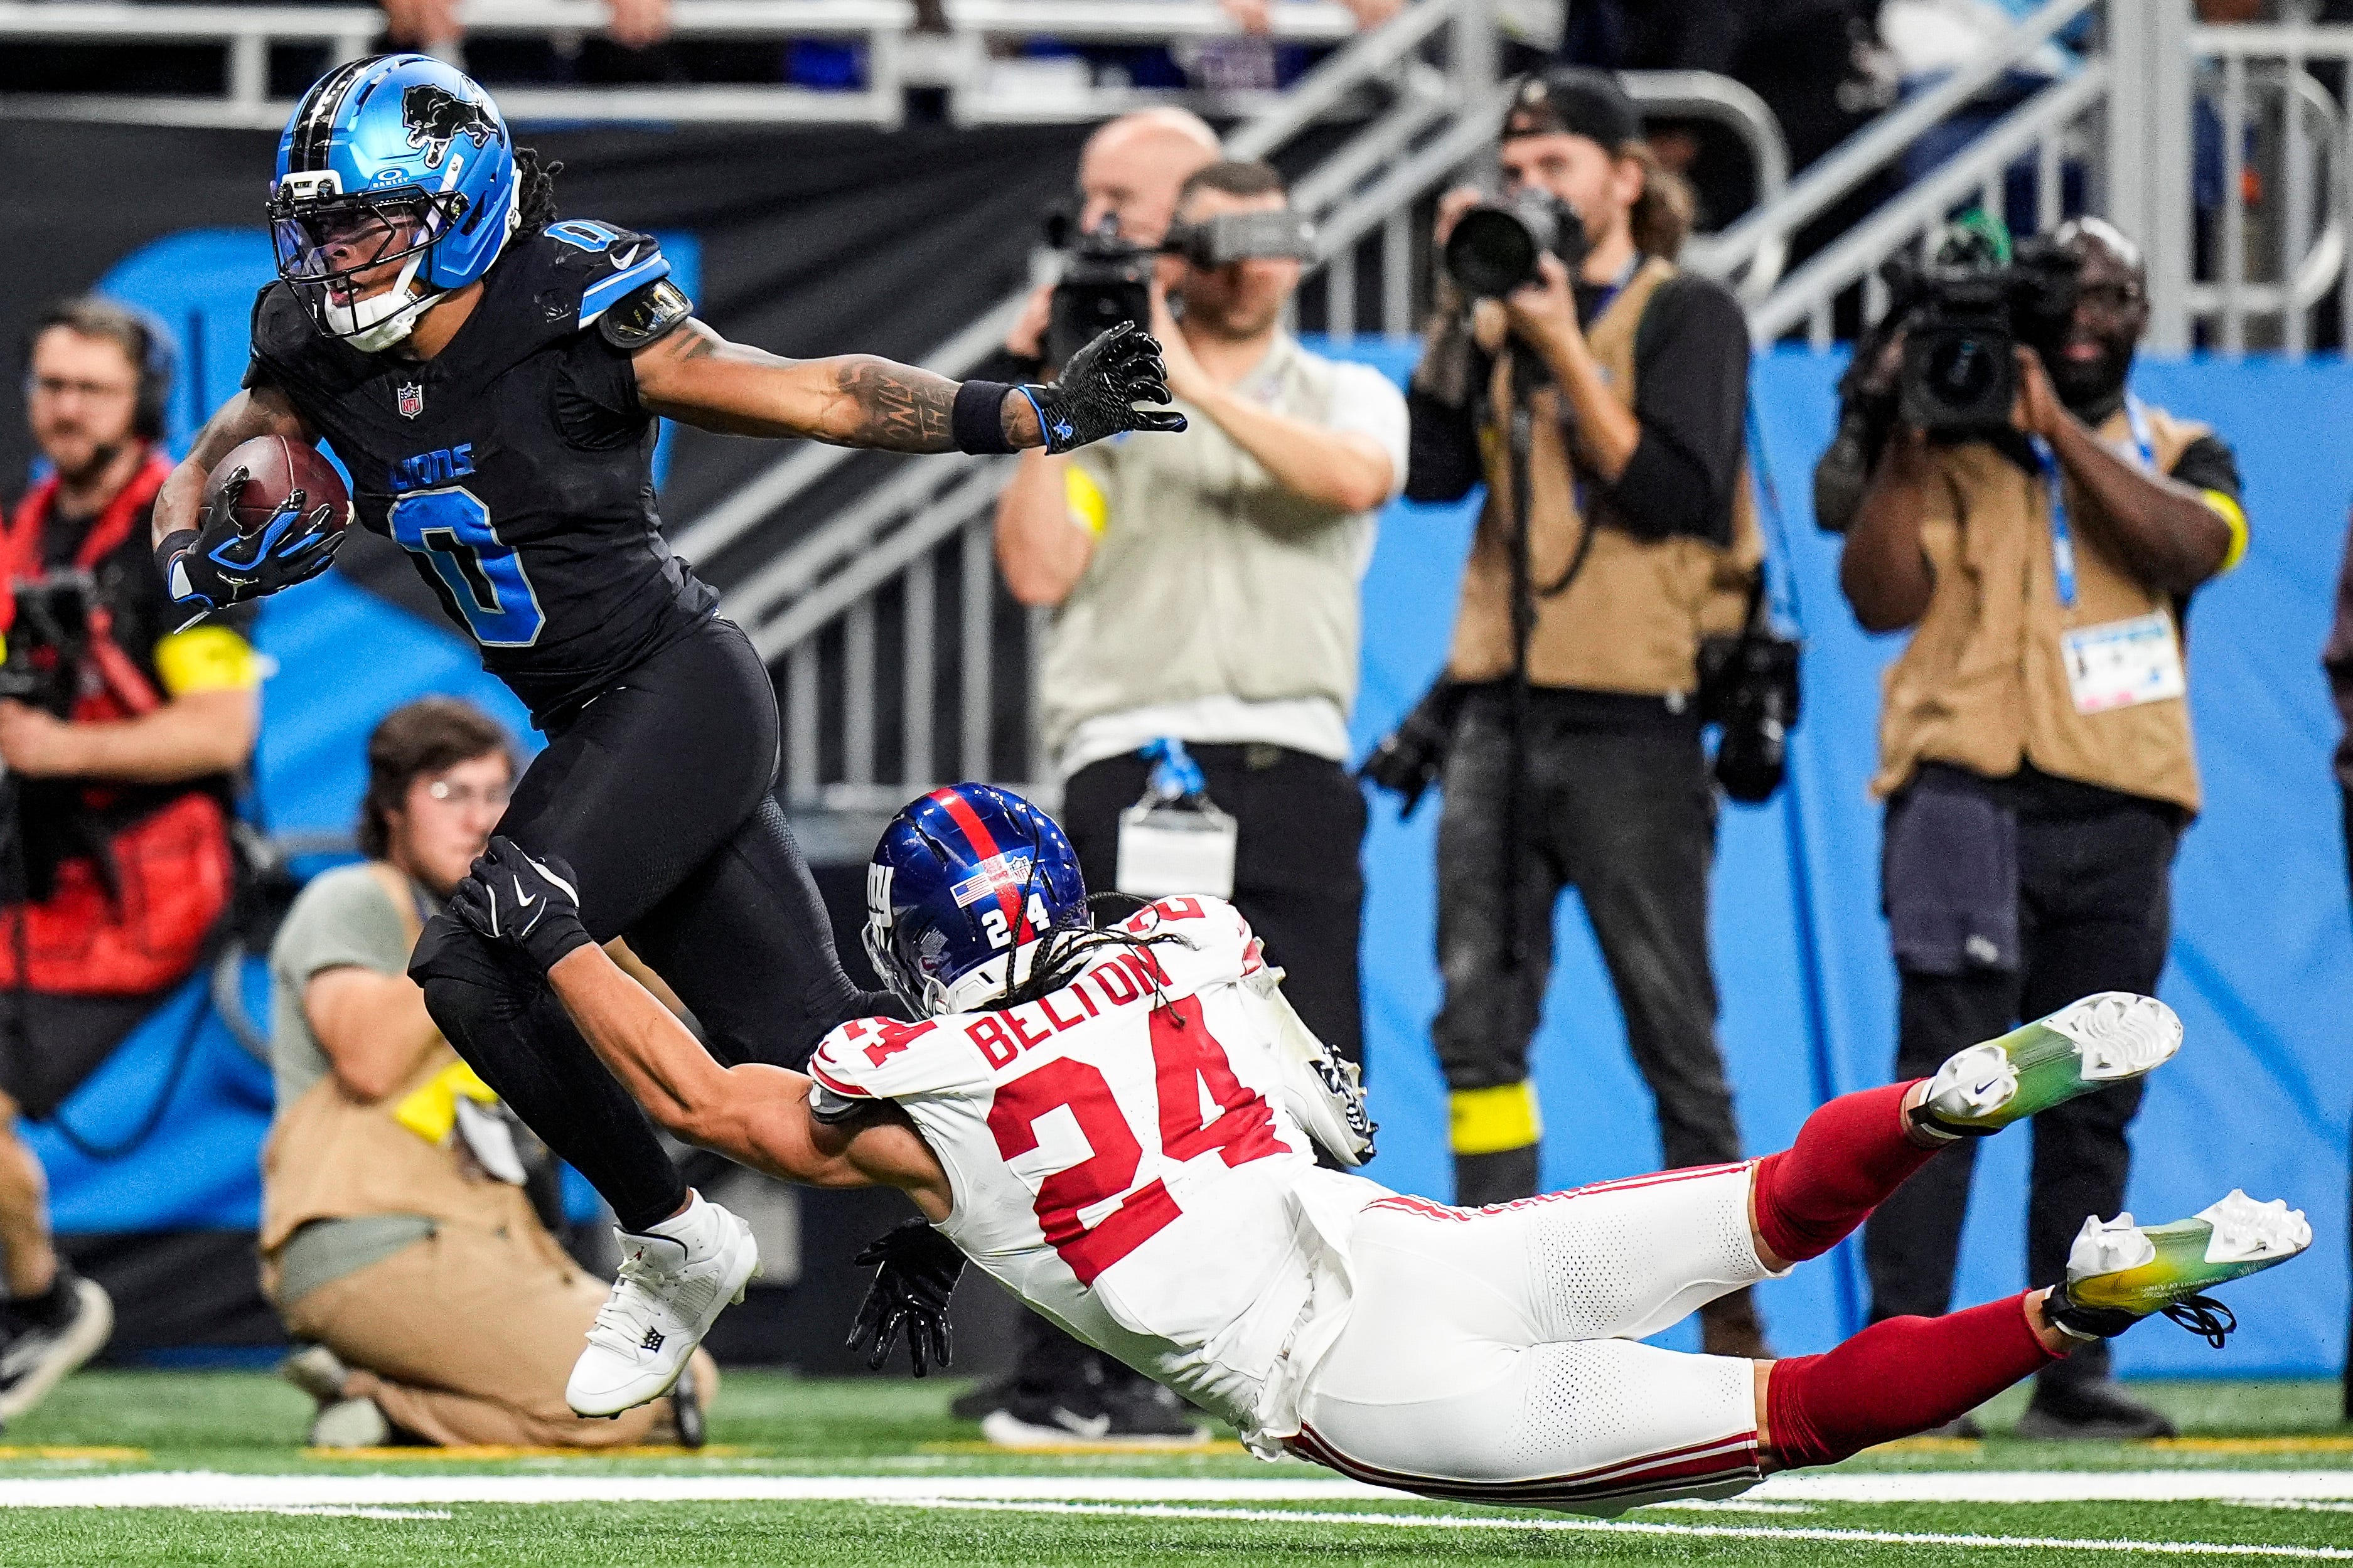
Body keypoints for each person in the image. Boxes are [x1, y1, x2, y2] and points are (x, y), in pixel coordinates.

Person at [149, 53, 1179, 1422]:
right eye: (322, 226)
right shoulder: (318, 336)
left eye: (365, 221)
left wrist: (1032, 413)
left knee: (472, 950)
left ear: (455, 206)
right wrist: (194, 552)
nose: (336, 259)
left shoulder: (573, 312)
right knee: (827, 1068)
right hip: (593, 720)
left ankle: (671, 1236)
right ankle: (1134, 1219)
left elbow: (818, 393)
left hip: (677, 689)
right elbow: (225, 447)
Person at [448, 786, 2307, 1509]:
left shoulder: (906, 1070)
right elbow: (1331, 1096)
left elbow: (695, 1095)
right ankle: (1930, 1102)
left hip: (1350, 1370)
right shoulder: (1189, 943)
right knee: (1760, 1207)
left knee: (1801, 1411)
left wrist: (558, 921)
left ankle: (2075, 1305)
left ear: (914, 948)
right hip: (1422, 1238)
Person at [987, 156, 1404, 1446]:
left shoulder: (1347, 392)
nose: (1250, 258)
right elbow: (1035, 569)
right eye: (1220, 236)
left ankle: (1326, 1360)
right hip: (1132, 746)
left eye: (1269, 232)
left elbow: (1348, 481)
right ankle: (1074, 1379)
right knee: (1093, 1066)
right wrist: (1047, 402)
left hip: (1289, 749)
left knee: (1308, 1064)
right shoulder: (1107, 400)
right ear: (1187, 256)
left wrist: (1179, 366)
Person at [1830, 215, 2249, 1439]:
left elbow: (2192, 547)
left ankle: (2068, 1372)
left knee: (2094, 1099)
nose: (2082, 314)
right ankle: (1903, 1368)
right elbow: (1872, 598)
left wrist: (2052, 431)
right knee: (1942, 1096)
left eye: (2109, 294)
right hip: (1959, 794)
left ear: (2139, 312)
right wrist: (1910, 438)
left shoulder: (2182, 447)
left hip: (2119, 808)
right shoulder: (1945, 434)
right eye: (2058, 294)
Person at [1389, 67, 1769, 1357]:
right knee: (1474, 1019)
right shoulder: (1493, 314)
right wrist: (1460, 311)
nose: (1531, 185)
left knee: (1673, 1030)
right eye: (1514, 162)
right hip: (1494, 714)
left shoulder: (1689, 312)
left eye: (1554, 162)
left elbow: (1676, 489)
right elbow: (1430, 475)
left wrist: (1555, 343)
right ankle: (1507, 1314)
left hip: (1634, 720)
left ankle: (1731, 1328)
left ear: (1623, 176)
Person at [265, 697, 716, 1449]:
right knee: (626, 1405)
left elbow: (678, 1009)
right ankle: (382, 1394)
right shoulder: (353, 896)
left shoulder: (523, 924)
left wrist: (599, 912)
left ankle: (377, 1403)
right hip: (373, 1236)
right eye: (447, 794)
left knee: (683, 1375)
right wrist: (486, 931)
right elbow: (368, 1062)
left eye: (493, 793)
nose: (476, 819)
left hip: (493, 1237)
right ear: (391, 809)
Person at [0, 297, 267, 1425]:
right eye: (48, 383)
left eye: (88, 388)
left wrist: (61, 746)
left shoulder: (183, 539)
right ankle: (35, 1298)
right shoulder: (35, 525)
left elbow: (221, 732)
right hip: (42, 879)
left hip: (143, 892)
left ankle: (41, 1302)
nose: (61, 407)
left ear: (144, 402)